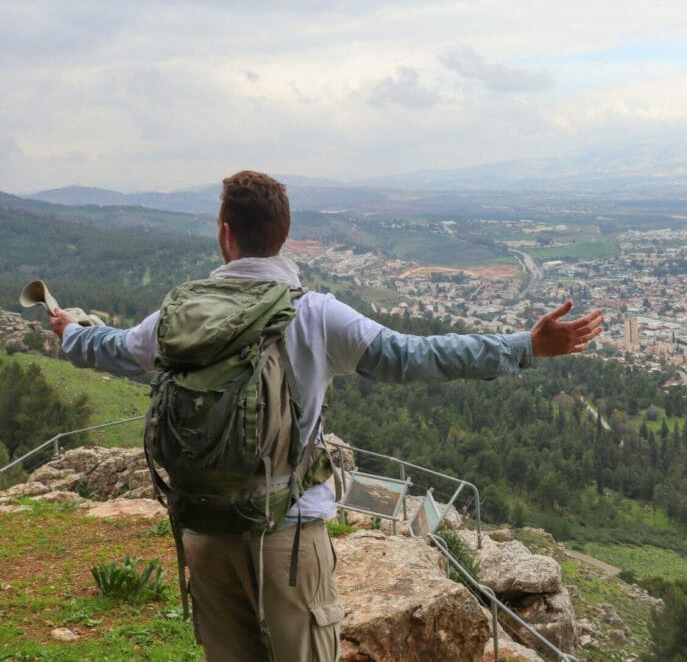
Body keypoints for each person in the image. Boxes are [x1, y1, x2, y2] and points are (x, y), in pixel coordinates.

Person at [49, 170, 604, 661]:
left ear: (224, 233)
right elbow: (413, 357)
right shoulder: (312, 314)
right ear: (284, 235)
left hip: (202, 528)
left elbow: (111, 348)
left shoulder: (178, 313)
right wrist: (523, 347)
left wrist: (70, 330)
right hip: (286, 535)